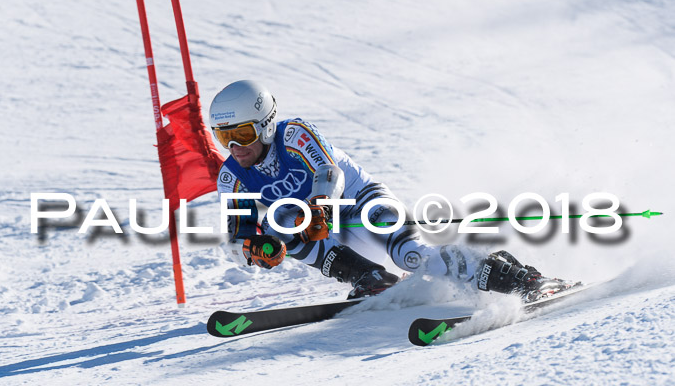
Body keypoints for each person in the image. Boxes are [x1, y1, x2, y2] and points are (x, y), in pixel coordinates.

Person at [209, 80, 570, 302]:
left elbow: (327, 170)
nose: (235, 146)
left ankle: (523, 279)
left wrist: (320, 206)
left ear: (267, 124)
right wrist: (258, 250)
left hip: (362, 202)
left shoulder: (293, 134)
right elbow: (239, 234)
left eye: (242, 133)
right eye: (224, 137)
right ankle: (368, 277)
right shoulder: (231, 177)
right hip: (323, 228)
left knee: (412, 256)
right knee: (278, 226)